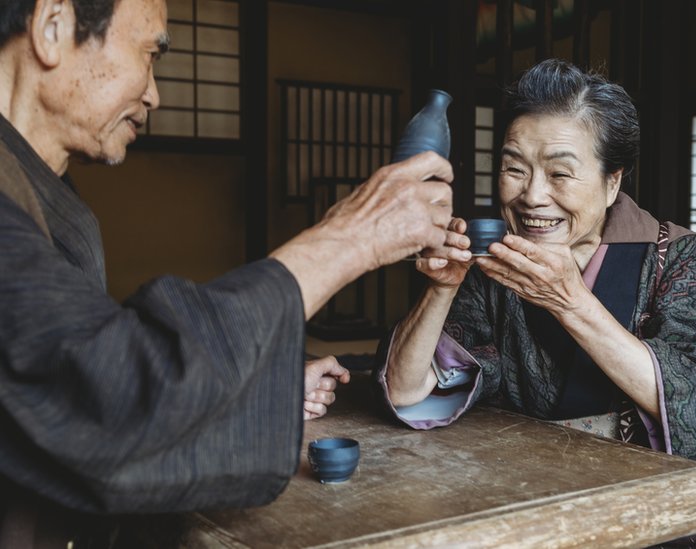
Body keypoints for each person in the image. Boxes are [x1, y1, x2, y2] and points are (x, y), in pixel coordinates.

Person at [0, 0, 466, 543]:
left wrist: (249, 386)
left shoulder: (38, 190)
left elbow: (62, 378)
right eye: (149, 53)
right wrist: (351, 237)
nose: (154, 93)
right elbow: (109, 396)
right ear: (52, 27)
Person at [374, 59, 696, 547]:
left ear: (613, 183)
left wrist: (571, 303)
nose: (533, 196)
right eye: (513, 169)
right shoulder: (493, 264)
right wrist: (442, 288)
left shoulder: (677, 256)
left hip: (682, 508)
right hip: (542, 501)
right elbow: (408, 392)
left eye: (560, 173)